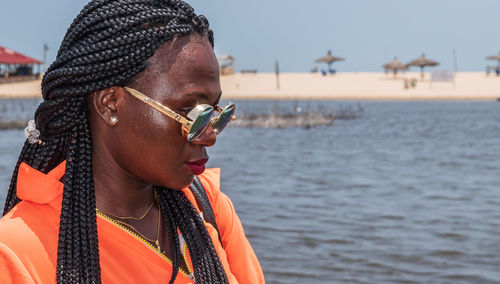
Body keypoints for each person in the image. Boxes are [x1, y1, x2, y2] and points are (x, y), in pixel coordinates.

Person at [0, 0, 265, 283]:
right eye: (192, 114)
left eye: (214, 113)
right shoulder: (18, 253)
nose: (210, 136)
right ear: (110, 104)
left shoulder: (208, 206)